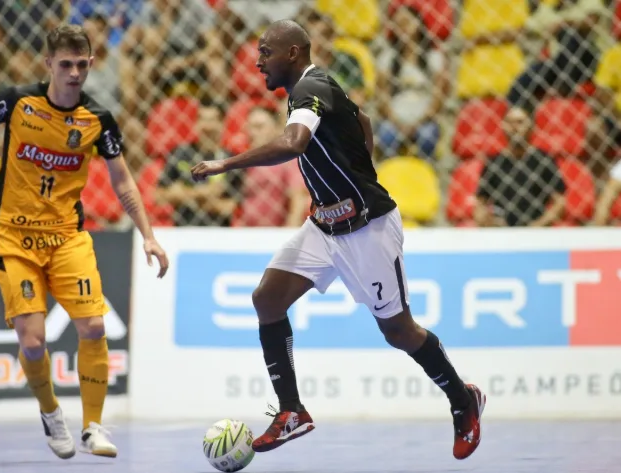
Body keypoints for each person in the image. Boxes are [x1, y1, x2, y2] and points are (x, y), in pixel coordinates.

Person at [191, 20, 485, 460]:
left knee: (399, 331)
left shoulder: (311, 88)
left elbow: (293, 143)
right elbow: (361, 118)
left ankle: (464, 401)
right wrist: (353, 167)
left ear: (293, 53)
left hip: (368, 231)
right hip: (324, 226)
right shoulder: (318, 91)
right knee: (267, 299)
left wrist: (223, 164)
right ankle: (291, 411)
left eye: (266, 52)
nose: (257, 61)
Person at [0, 24, 169, 460]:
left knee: (93, 326)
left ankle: (93, 426)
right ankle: (51, 411)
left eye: (81, 64)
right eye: (65, 64)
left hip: (68, 238)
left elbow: (123, 181)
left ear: (91, 64)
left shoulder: (98, 120)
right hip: (14, 238)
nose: (74, 73)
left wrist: (148, 235)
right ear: (49, 64)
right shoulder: (16, 101)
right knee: (33, 341)